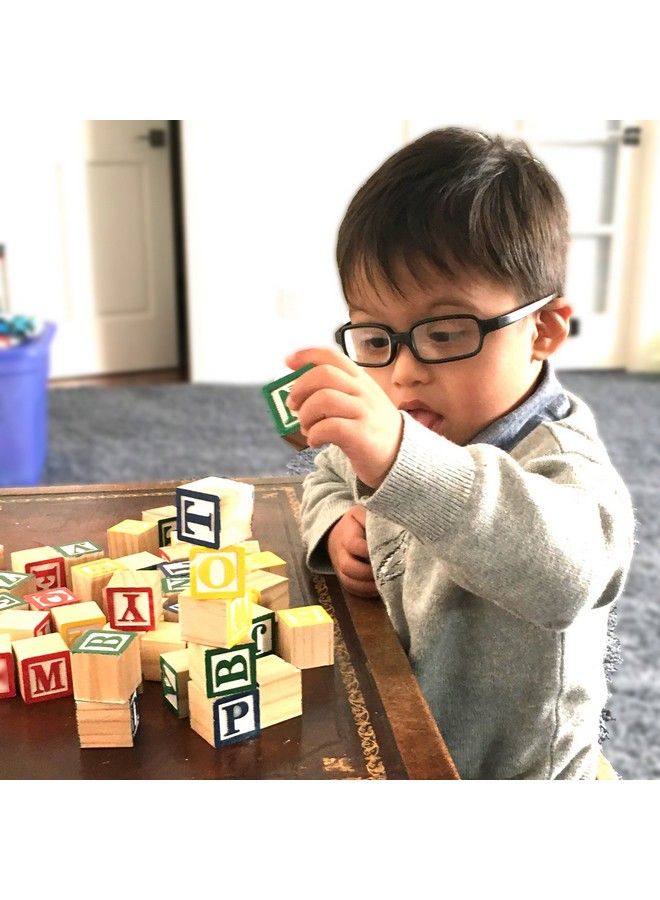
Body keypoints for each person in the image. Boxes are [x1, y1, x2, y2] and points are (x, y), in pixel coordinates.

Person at [284, 127, 636, 779]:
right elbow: (329, 473)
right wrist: (335, 526)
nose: (405, 373)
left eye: (446, 333)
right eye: (375, 337)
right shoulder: (399, 416)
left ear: (543, 329)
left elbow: (570, 575)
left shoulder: (560, 459)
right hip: (403, 724)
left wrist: (400, 459)